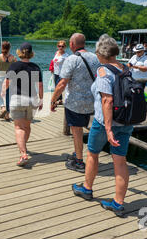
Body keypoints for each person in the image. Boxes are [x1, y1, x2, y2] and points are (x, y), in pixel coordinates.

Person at [72, 35, 135, 216]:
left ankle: (87, 188)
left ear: (100, 53)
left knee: (92, 154)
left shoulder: (103, 72)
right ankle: (118, 202)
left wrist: (108, 129)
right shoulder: (125, 68)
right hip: (125, 121)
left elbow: (107, 100)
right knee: (120, 161)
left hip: (104, 124)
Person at [51, 33, 100, 173]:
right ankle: (79, 153)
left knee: (77, 132)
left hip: (75, 103)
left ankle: (79, 161)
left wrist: (53, 100)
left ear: (72, 44)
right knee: (86, 129)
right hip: (92, 102)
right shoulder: (95, 58)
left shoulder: (71, 59)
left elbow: (62, 83)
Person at [1, 42, 43, 167]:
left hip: (17, 99)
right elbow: (40, 86)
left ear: (19, 52)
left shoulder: (14, 66)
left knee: (19, 128)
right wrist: (41, 100)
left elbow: (7, 82)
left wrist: (3, 92)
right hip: (31, 100)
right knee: (27, 126)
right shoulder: (36, 67)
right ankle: (24, 146)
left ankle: (23, 153)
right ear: (31, 54)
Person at [0, 41, 16, 120]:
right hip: (10, 78)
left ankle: (3, 107)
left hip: (0, 78)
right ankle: (7, 114)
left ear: (2, 47)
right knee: (8, 96)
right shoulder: (13, 58)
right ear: (9, 48)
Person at [51, 40, 69, 104]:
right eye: (59, 46)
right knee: (56, 86)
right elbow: (53, 62)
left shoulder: (66, 55)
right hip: (55, 72)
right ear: (57, 46)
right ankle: (60, 100)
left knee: (59, 87)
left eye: (62, 46)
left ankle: (56, 100)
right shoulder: (56, 53)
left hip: (62, 73)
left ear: (65, 47)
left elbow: (68, 65)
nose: (60, 47)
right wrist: (52, 68)